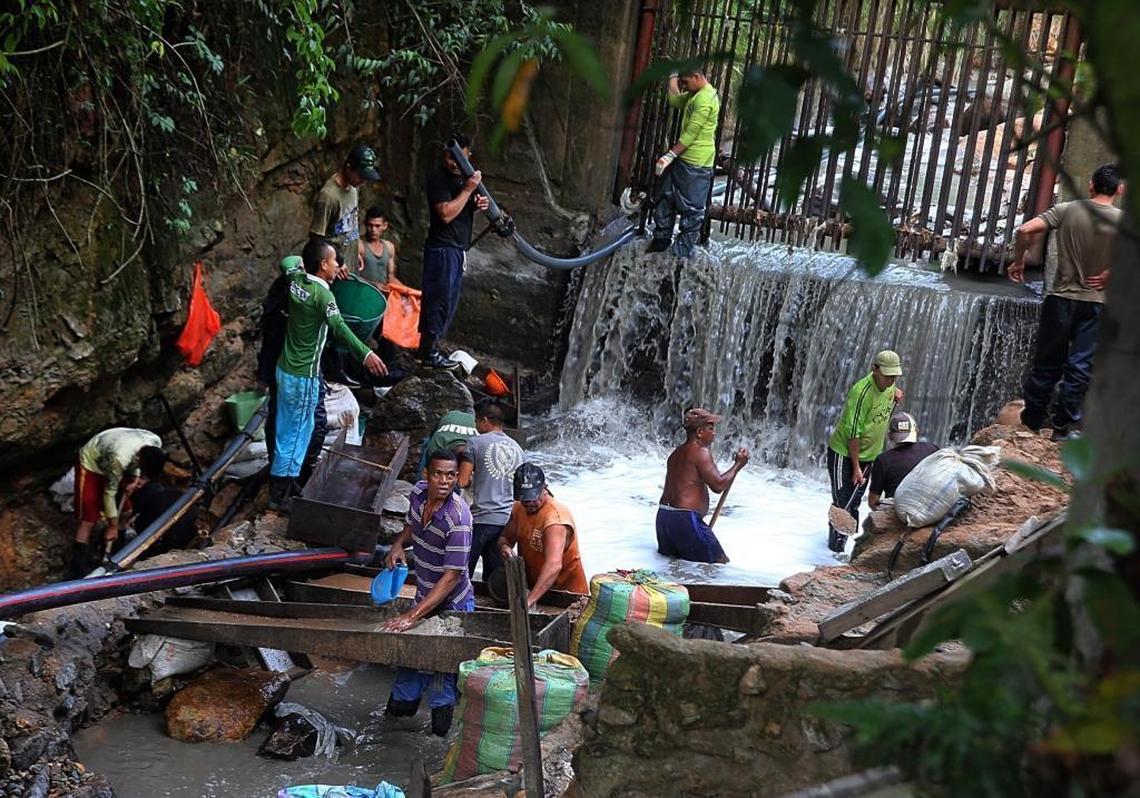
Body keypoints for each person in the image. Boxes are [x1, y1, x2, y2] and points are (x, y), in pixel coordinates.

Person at [1008, 164, 1125, 440]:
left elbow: (1025, 229)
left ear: (1091, 185)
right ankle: (1063, 428)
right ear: (1119, 190)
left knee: (1047, 364)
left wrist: (1019, 259)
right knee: (1080, 367)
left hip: (1060, 300)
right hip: (1097, 303)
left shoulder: (1067, 210)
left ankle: (1032, 422)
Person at [270, 240, 387, 512]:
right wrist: (366, 354)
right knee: (296, 434)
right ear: (323, 265)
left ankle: (287, 484)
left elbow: (288, 260)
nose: (338, 266)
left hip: (284, 370)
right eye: (335, 261)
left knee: (292, 429)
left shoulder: (296, 280)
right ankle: (280, 496)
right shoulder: (324, 297)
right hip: (303, 377)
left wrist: (302, 264)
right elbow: (341, 329)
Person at [380, 449, 474, 736]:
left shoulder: (458, 519)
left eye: (450, 475)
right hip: (424, 595)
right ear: (426, 475)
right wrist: (398, 544)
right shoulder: (419, 494)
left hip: (451, 605)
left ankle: (438, 740)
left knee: (440, 677)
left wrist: (412, 616)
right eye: (438, 474)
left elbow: (451, 578)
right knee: (408, 665)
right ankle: (392, 731)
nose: (444, 481)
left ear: (457, 478)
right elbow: (412, 523)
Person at [419, 134, 491, 368]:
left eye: (458, 158)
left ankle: (431, 348)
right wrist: (469, 191)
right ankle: (428, 352)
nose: (452, 162)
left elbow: (461, 209)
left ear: (468, 156)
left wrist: (477, 205)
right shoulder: (439, 178)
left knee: (447, 302)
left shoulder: (463, 180)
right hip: (442, 249)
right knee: (437, 301)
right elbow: (446, 213)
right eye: (449, 156)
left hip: (457, 249)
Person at [826, 351, 905, 552]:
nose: (891, 380)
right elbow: (853, 435)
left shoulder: (889, 386)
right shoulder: (861, 392)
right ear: (874, 369)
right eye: (887, 375)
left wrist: (896, 392)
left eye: (894, 376)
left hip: (870, 456)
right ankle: (834, 551)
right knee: (842, 502)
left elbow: (889, 396)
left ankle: (847, 550)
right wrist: (855, 468)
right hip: (844, 454)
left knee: (853, 502)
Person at [656, 408, 748, 564]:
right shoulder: (700, 452)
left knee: (676, 566)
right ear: (699, 432)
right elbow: (718, 485)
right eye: (710, 428)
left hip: (664, 516)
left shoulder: (676, 453)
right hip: (685, 519)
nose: (714, 433)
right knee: (719, 563)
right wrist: (738, 464)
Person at [648, 68, 721, 258]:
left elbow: (691, 133)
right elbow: (674, 99)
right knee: (665, 197)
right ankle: (661, 240)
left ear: (697, 77)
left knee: (692, 210)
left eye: (685, 82)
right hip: (683, 160)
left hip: (697, 163)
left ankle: (680, 255)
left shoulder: (706, 99)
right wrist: (672, 75)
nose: (683, 86)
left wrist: (669, 155)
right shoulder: (694, 95)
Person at [73, 428, 164, 577]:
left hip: (124, 462)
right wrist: (112, 526)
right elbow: (110, 493)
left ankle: (113, 554)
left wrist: (136, 479)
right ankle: (77, 569)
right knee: (89, 517)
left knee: (126, 511)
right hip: (94, 462)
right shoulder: (119, 458)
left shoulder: (155, 442)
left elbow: (140, 468)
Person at [496, 463, 588, 605]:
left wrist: (529, 601)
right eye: (524, 499)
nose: (529, 502)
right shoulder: (519, 508)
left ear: (544, 489)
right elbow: (505, 538)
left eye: (534, 497)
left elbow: (554, 565)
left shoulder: (555, 519)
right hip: (538, 589)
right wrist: (504, 548)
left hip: (566, 594)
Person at [458, 398, 524, 578]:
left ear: (484, 420)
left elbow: (462, 481)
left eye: (476, 421)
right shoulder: (518, 449)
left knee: (461, 574)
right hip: (508, 523)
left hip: (482, 518)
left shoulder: (474, 443)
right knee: (492, 579)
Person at [310, 144, 382, 273]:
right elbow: (316, 238)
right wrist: (338, 261)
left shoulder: (354, 186)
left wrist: (356, 252)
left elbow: (351, 224)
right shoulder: (329, 196)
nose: (363, 181)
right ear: (348, 168)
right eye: (361, 176)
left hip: (350, 260)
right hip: (335, 267)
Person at [123, 446, 200, 555]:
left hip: (171, 546)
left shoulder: (144, 495)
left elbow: (124, 520)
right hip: (191, 535)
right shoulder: (171, 491)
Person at [867, 412, 939, 510]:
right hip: (930, 508)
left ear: (890, 436)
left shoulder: (882, 460)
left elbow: (873, 502)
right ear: (916, 431)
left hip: (898, 512)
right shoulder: (932, 449)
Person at [419, 408, 477, 475]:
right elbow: (429, 472)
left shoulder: (479, 447)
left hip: (470, 419)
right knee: (427, 444)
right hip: (451, 416)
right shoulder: (437, 444)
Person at [358, 205, 398, 291]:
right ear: (365, 224)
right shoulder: (359, 245)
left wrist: (410, 292)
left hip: (382, 296)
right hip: (362, 293)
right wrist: (373, 285)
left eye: (377, 226)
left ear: (385, 226)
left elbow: (391, 278)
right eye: (370, 225)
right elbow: (351, 276)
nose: (373, 229)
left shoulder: (389, 247)